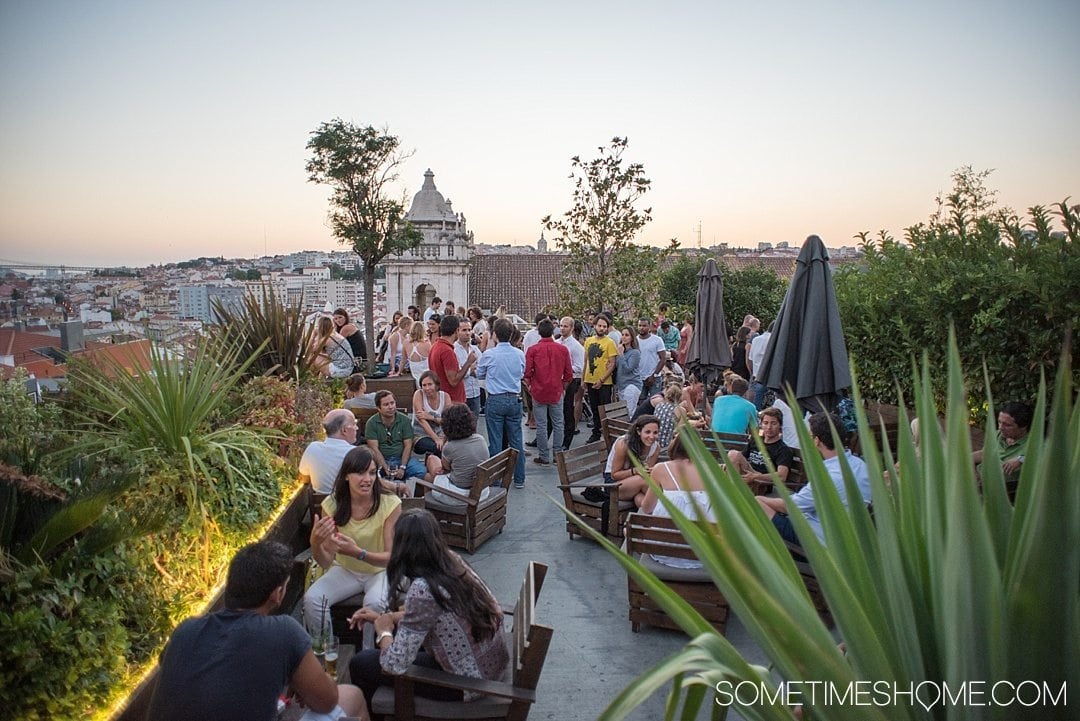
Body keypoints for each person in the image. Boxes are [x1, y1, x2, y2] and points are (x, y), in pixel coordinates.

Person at [147, 540, 368, 721]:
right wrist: (298, 680)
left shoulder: (185, 629)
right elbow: (327, 700)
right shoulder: (283, 631)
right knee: (352, 696)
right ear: (277, 594)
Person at [347, 510, 509, 710]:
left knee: (361, 663)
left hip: (467, 683)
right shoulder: (451, 560)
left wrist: (384, 630)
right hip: (488, 664)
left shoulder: (424, 589)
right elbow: (435, 615)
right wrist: (387, 617)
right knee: (386, 643)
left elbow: (394, 665)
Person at [305, 447, 401, 639]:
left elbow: (391, 558)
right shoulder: (332, 505)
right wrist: (315, 542)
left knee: (374, 603)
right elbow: (325, 561)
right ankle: (324, 651)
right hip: (345, 569)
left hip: (378, 571)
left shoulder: (389, 504)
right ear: (347, 476)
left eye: (372, 473)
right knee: (312, 599)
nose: (367, 479)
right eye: (360, 472)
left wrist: (358, 552)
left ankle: (369, 653)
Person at [756, 412, 870, 547]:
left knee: (757, 504)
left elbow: (792, 507)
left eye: (809, 436)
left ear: (816, 440)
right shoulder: (861, 465)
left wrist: (761, 499)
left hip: (816, 541)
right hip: (848, 537)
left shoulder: (828, 477)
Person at [640, 434, 715, 568]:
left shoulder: (661, 469)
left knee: (629, 530)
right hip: (702, 555)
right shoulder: (711, 469)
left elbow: (647, 508)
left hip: (664, 551)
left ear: (675, 445)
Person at [476, 318, 527, 487]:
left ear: (495, 335)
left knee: (496, 440)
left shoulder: (489, 354)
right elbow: (521, 373)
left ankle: (496, 479)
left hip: (496, 398)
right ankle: (519, 478)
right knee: (516, 440)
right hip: (514, 398)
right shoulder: (519, 353)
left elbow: (480, 374)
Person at [524, 318, 573, 465]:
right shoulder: (563, 349)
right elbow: (569, 374)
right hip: (556, 391)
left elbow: (527, 373)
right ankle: (557, 455)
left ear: (539, 332)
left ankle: (544, 456)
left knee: (542, 425)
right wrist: (562, 387)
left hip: (539, 391)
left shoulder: (533, 350)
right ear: (553, 331)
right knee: (558, 423)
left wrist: (531, 386)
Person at [423, 403, 491, 504]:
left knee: (430, 465)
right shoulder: (480, 439)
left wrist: (445, 438)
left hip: (460, 496)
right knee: (431, 472)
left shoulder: (450, 447)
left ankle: (428, 508)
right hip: (482, 492)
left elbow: (446, 468)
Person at [593, 414, 661, 507]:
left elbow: (647, 472)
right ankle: (667, 508)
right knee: (643, 480)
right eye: (647, 432)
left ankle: (650, 517)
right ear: (638, 431)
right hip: (614, 484)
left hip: (636, 484)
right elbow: (614, 475)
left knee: (640, 498)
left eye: (655, 432)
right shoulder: (624, 444)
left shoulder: (655, 447)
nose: (651, 436)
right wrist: (635, 471)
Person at [365, 390, 427, 483]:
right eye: (386, 405)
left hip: (401, 458)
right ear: (378, 408)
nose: (390, 407)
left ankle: (403, 486)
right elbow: (374, 449)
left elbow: (408, 445)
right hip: (381, 460)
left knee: (421, 471)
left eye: (392, 403)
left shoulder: (404, 420)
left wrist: (402, 467)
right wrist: (385, 468)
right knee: (372, 475)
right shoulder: (372, 423)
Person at [727, 407, 794, 487]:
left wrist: (756, 476)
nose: (769, 427)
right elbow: (741, 458)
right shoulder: (756, 441)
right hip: (746, 474)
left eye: (773, 423)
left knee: (733, 454)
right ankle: (733, 488)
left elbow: (782, 476)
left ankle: (732, 490)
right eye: (766, 423)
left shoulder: (783, 450)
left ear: (780, 425)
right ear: (761, 425)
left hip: (761, 482)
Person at [972, 401, 1033, 486]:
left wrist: (1021, 459)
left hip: (998, 489)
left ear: (1023, 427)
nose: (1001, 428)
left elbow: (1042, 455)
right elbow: (985, 454)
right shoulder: (998, 434)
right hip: (977, 478)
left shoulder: (1033, 444)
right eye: (999, 422)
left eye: (1007, 425)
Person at [299, 409, 360, 494]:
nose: (357, 428)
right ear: (344, 430)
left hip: (321, 505)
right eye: (354, 424)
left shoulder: (313, 448)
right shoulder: (356, 453)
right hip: (349, 505)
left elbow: (304, 477)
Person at [583, 313, 618, 443]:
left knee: (604, 410)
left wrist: (602, 380)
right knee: (594, 409)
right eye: (600, 326)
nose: (602, 328)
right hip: (590, 380)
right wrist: (583, 380)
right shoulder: (588, 341)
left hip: (604, 383)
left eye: (604, 326)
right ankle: (595, 433)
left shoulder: (610, 343)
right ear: (595, 326)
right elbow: (585, 361)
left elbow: (612, 364)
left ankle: (607, 434)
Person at [428, 314, 477, 404]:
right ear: (456, 330)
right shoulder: (447, 351)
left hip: (444, 398)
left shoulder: (436, 346)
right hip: (452, 401)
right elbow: (453, 381)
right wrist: (468, 362)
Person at [557, 315, 585, 450]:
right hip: (557, 381)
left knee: (568, 410)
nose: (562, 328)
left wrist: (563, 370)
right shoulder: (557, 342)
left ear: (572, 328)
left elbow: (579, 367)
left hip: (570, 380)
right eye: (561, 325)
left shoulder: (576, 346)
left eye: (565, 326)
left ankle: (566, 442)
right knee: (555, 410)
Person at [411, 371, 451, 457]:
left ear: (436, 385)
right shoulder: (419, 394)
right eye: (424, 385)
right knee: (437, 447)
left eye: (430, 384)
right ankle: (437, 467)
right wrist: (436, 439)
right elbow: (421, 420)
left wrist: (431, 417)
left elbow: (447, 421)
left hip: (441, 433)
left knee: (451, 446)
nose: (427, 388)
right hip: (420, 434)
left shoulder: (445, 396)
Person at [454, 319, 483, 417]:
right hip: (462, 394)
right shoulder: (454, 350)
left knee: (474, 424)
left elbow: (482, 369)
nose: (467, 333)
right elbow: (457, 373)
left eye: (469, 330)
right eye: (464, 330)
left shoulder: (475, 349)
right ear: (457, 331)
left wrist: (470, 370)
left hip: (475, 393)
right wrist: (470, 369)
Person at [615, 326, 642, 415]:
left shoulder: (635, 352)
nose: (624, 337)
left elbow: (628, 368)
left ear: (632, 338)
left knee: (629, 412)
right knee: (623, 413)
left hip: (631, 385)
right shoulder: (620, 350)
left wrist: (621, 354)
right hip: (621, 386)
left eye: (627, 335)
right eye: (622, 335)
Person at [747, 321, 773, 409]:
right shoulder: (775, 340)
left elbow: (750, 359)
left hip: (756, 376)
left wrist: (752, 373)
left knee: (754, 408)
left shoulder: (755, 340)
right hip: (771, 379)